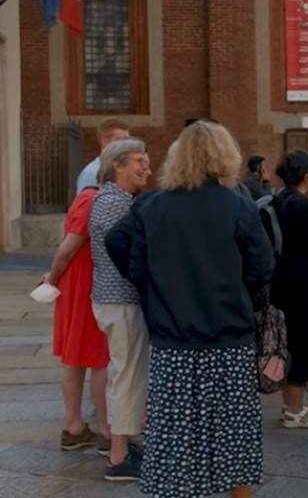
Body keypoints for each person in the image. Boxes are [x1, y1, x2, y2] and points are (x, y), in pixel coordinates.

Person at [107, 120, 274, 498]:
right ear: (225, 155)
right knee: (233, 440)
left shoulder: (152, 205)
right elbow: (263, 268)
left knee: (174, 443)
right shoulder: (238, 205)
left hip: (173, 341)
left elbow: (117, 241)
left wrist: (149, 282)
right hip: (229, 338)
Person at [88, 138, 150, 481]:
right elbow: (125, 252)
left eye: (146, 159)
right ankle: (118, 456)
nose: (146, 167)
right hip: (120, 299)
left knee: (124, 373)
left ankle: (123, 442)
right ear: (118, 166)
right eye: (138, 161)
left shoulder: (116, 199)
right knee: (125, 376)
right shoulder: (115, 203)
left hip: (114, 298)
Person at [45, 183, 111, 455]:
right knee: (97, 357)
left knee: (75, 357)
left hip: (76, 284)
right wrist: (51, 278)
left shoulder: (87, 197)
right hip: (83, 286)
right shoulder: (92, 199)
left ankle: (73, 427)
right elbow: (68, 247)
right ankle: (105, 432)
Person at [269, 150, 308, 429]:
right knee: (302, 346)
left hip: (279, 280)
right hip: (304, 283)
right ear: (306, 175)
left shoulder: (275, 199)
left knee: (284, 343)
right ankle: (295, 409)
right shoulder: (303, 205)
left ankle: (287, 405)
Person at [76, 119, 130, 193]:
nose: (127, 145)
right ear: (105, 141)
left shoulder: (121, 168)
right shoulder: (91, 173)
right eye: (122, 140)